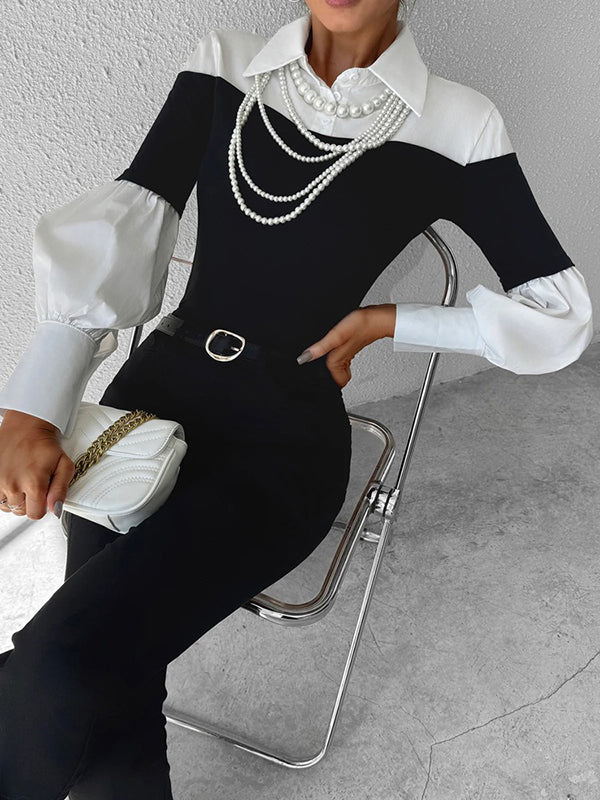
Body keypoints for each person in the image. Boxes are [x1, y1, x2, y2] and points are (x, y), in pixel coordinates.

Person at [0, 0, 593, 797]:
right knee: (100, 664)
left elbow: (560, 315)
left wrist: (393, 320)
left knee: (69, 660)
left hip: (284, 445)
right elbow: (130, 221)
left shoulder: (460, 123)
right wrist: (35, 407)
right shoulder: (224, 64)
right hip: (147, 407)